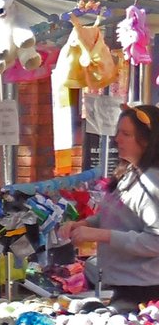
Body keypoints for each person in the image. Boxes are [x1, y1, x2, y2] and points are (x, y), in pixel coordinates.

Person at [61, 103, 159, 313]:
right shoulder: (131, 173)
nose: (117, 139)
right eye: (118, 132)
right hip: (125, 284)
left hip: (146, 290)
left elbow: (155, 241)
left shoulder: (153, 182)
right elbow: (118, 217)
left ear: (148, 140)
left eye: (126, 134)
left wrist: (100, 234)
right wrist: (84, 224)